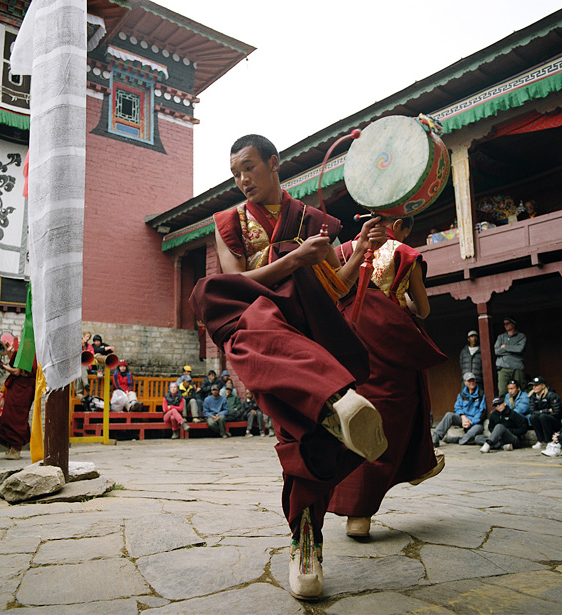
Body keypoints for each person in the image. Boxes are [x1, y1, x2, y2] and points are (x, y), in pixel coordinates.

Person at [190, 134, 388, 600]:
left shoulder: (314, 221)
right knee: (216, 294)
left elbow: (334, 291)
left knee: (308, 443)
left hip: (310, 335)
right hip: (265, 338)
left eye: (249, 168)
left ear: (274, 163)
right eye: (235, 172)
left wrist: (357, 251)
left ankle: (308, 547)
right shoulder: (229, 223)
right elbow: (235, 286)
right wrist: (294, 257)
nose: (242, 180)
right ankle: (334, 400)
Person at [328, 216, 447, 538]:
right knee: (391, 421)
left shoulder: (343, 252)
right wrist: (401, 299)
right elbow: (421, 310)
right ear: (399, 224)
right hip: (392, 340)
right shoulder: (406, 255)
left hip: (349, 342)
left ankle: (352, 505)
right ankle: (362, 511)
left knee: (354, 420)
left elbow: (333, 290)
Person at [0, 337, 37, 460]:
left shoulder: (28, 351)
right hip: (20, 387)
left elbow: (16, 371)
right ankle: (12, 446)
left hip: (22, 389)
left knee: (14, 417)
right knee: (11, 415)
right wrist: (10, 353)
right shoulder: (27, 350)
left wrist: (1, 365)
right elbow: (17, 366)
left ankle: (15, 448)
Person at [432, 372, 487, 446]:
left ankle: (457, 440)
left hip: (475, 423)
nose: (472, 383)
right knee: (449, 415)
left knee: (473, 432)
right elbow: (457, 407)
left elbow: (482, 412)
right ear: (465, 383)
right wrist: (463, 417)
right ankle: (436, 437)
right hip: (463, 420)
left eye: (473, 380)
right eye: (469, 381)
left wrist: (471, 423)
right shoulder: (462, 395)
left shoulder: (481, 394)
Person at [528, 377, 561, 451]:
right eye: (533, 385)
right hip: (543, 418)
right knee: (533, 417)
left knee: (543, 417)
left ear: (543, 386)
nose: (534, 387)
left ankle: (549, 441)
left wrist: (543, 414)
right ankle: (541, 440)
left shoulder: (552, 395)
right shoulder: (533, 396)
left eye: (537, 385)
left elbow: (557, 412)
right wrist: (547, 410)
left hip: (555, 422)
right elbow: (532, 411)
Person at [494, 317, 527, 395]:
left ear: (513, 324)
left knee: (520, 390)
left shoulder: (521, 336)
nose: (505, 325)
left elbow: (519, 349)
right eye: (504, 324)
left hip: (517, 366)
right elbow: (496, 351)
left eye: (508, 323)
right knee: (502, 391)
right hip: (503, 367)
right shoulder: (501, 337)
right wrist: (512, 350)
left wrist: (505, 347)